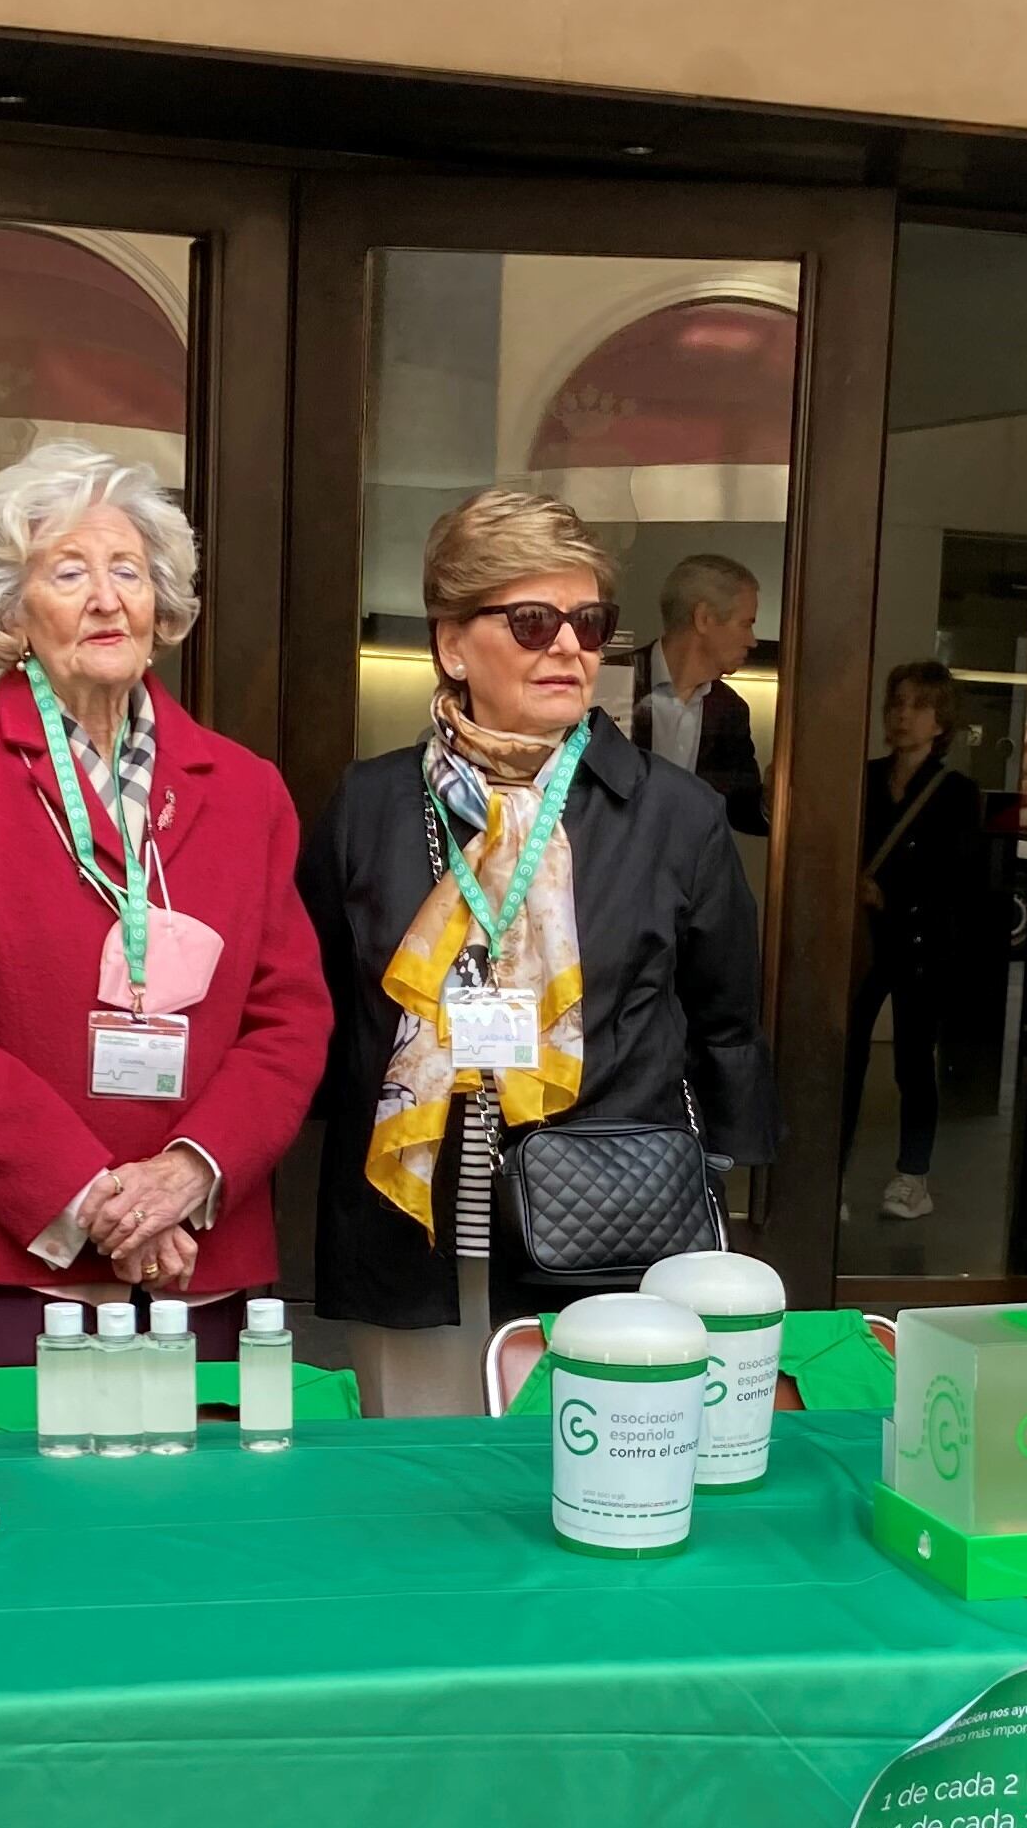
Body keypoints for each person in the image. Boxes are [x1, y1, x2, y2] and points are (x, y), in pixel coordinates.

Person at [0, 439, 331, 1367]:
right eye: (68, 571)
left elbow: (290, 1020)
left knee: (195, 1516)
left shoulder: (246, 788)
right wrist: (102, 1205)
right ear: (12, 608)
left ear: (161, 600)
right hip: (7, 1261)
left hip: (200, 1257)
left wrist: (187, 1175)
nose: (107, 596)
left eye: (129, 569)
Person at [302, 487, 777, 1405]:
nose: (567, 646)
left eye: (589, 622)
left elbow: (726, 1020)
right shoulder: (368, 806)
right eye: (530, 621)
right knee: (426, 1496)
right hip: (413, 1227)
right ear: (451, 643)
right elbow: (323, 1002)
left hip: (610, 1221)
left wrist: (720, 1171)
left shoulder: (676, 816)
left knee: (591, 1486)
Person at [844, 661, 987, 1222]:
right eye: (896, 704)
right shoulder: (863, 777)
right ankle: (832, 1175)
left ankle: (913, 1175)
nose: (903, 716)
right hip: (862, 940)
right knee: (846, 1058)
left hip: (921, 942)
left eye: (918, 706)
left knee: (911, 1061)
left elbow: (961, 876)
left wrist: (891, 895)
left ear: (940, 720)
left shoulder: (955, 791)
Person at [617, 553, 768, 835]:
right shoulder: (611, 680)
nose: (753, 640)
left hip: (687, 877)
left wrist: (775, 797)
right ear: (704, 618)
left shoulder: (731, 710)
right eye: (746, 624)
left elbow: (741, 812)